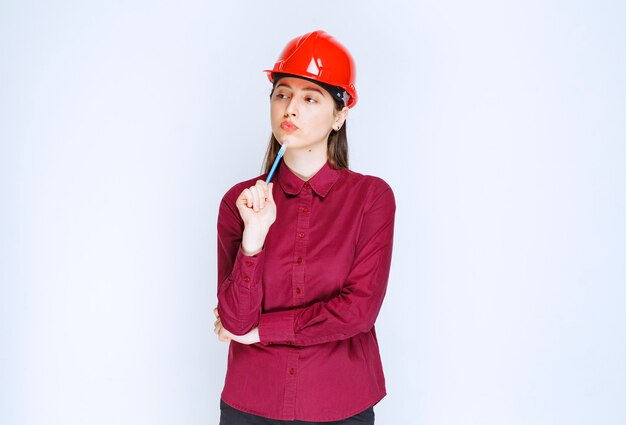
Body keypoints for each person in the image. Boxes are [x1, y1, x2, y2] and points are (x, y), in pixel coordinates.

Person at [213, 30, 395, 425]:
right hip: (251, 405)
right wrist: (253, 241)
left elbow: (358, 312)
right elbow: (235, 322)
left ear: (340, 114)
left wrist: (263, 332)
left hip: (340, 404)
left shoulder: (371, 198)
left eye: (310, 98)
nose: (290, 108)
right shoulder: (239, 202)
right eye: (282, 94)